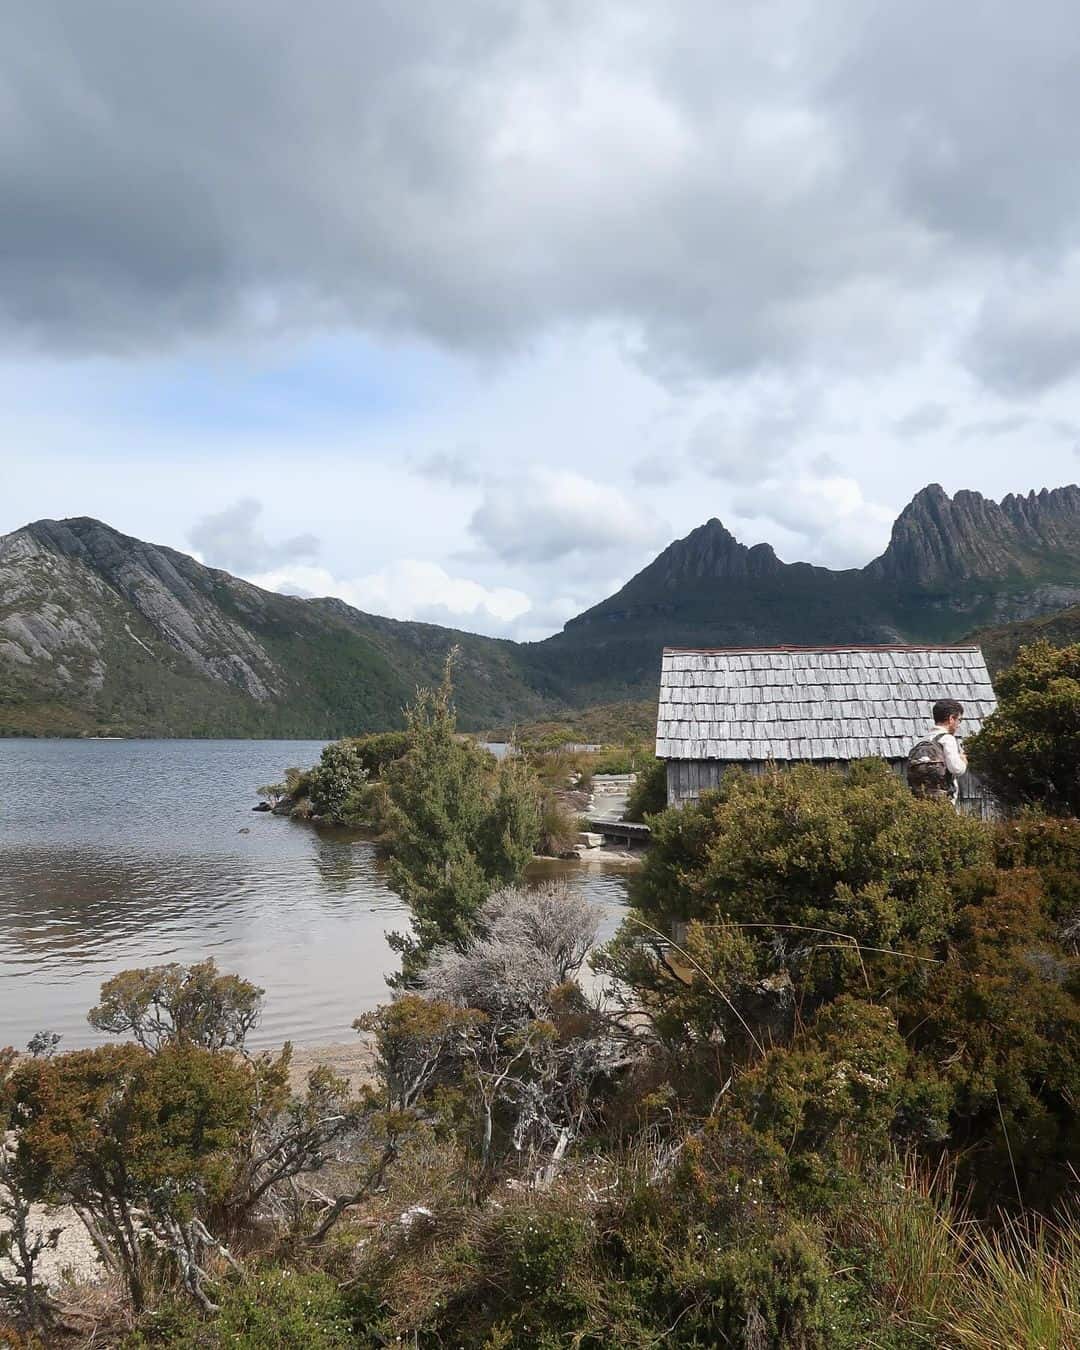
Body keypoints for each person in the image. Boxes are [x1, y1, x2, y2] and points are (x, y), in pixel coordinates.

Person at [905, 699, 968, 805]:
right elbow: (956, 769)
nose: (958, 725)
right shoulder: (947, 739)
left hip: (920, 800)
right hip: (943, 800)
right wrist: (964, 761)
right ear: (951, 718)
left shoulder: (922, 741)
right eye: (959, 720)